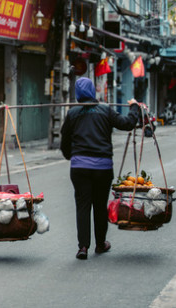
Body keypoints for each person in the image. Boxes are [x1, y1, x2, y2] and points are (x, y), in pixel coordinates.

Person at [60, 77, 140, 260]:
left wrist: (69, 156)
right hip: (103, 168)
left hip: (79, 167)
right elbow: (127, 124)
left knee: (82, 206)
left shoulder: (73, 113)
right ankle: (100, 243)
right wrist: (134, 107)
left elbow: (65, 140)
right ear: (92, 91)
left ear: (78, 94)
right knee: (99, 205)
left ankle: (82, 247)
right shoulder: (105, 110)